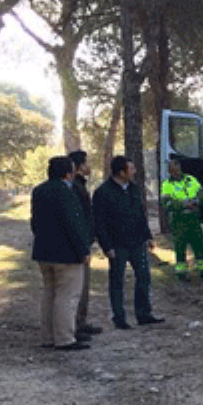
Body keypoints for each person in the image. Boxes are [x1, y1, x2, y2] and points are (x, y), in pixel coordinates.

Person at [93, 156, 165, 329]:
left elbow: (140, 214)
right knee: (117, 281)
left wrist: (147, 236)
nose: (134, 172)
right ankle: (119, 318)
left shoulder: (134, 189)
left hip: (137, 242)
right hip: (117, 245)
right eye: (131, 169)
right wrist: (107, 246)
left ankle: (144, 314)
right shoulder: (103, 192)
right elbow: (99, 223)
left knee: (144, 277)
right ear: (121, 172)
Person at [31, 155, 92, 351]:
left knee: (49, 294)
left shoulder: (39, 191)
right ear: (68, 173)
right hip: (66, 254)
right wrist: (83, 250)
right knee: (68, 296)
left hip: (43, 251)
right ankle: (65, 337)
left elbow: (34, 221)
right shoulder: (67, 193)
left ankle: (47, 336)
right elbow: (73, 224)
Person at [160, 158, 203, 281]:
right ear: (170, 171)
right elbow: (166, 202)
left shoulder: (191, 180)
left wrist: (196, 202)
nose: (175, 172)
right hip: (178, 220)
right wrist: (183, 204)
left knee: (199, 245)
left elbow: (202, 194)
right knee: (180, 248)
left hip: (193, 218)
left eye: (177, 168)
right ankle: (181, 273)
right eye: (173, 170)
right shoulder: (167, 184)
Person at [68, 149, 103, 339]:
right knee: (77, 288)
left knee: (83, 286)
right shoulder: (75, 187)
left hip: (85, 241)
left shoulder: (80, 185)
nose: (90, 166)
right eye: (87, 163)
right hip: (80, 245)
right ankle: (74, 325)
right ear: (80, 167)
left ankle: (81, 321)